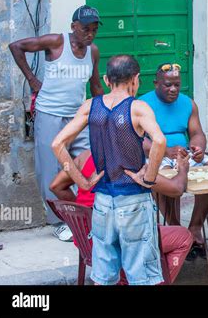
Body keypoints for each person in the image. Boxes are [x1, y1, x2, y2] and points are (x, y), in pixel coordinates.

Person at [52, 54, 167, 285]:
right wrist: (150, 177)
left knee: (103, 277)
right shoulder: (137, 108)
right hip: (133, 201)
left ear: (106, 80)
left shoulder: (90, 106)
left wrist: (82, 182)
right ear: (136, 79)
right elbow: (160, 141)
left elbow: (57, 144)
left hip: (102, 203)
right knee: (141, 276)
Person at [9, 5, 104, 241]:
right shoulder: (56, 42)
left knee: (88, 163)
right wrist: (32, 80)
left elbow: (94, 85)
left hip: (78, 117)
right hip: (50, 115)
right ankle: (59, 222)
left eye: (93, 30)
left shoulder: (93, 51)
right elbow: (16, 46)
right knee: (50, 170)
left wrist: (105, 111)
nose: (89, 34)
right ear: (73, 27)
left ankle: (87, 216)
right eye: (84, 29)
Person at [49, 149, 193, 283]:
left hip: (87, 240)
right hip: (118, 241)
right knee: (184, 237)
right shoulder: (130, 164)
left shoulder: (85, 156)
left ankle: (128, 278)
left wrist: (83, 215)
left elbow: (56, 186)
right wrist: (182, 169)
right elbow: (176, 188)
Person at [140, 63, 208, 256]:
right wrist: (164, 150)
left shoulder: (188, 103)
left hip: (183, 153)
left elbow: (197, 132)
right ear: (156, 83)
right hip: (156, 155)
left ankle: (195, 227)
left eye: (177, 84)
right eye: (167, 85)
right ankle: (176, 228)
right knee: (157, 177)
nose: (173, 89)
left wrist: (198, 147)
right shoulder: (142, 105)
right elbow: (138, 140)